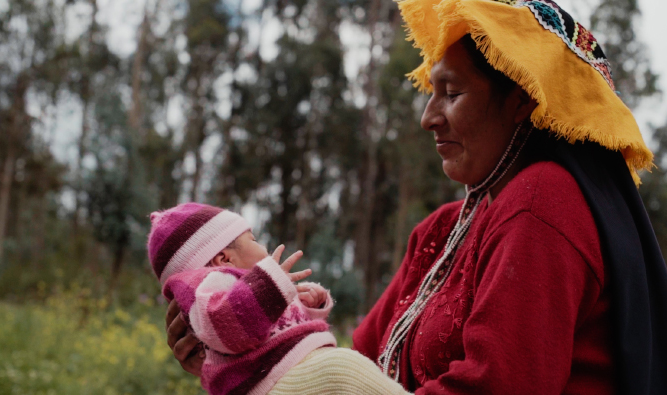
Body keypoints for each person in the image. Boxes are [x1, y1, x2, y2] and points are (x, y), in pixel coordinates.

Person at [166, 0, 667, 393]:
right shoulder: (442, 231)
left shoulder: (542, 200)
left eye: (452, 93)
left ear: (522, 103)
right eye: (431, 93)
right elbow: (361, 362)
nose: (429, 117)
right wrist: (235, 354)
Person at [149, 203, 410, 395]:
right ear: (224, 259)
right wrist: (271, 286)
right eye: (254, 240)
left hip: (282, 373)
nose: (262, 247)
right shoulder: (216, 285)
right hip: (274, 378)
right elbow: (230, 323)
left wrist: (308, 305)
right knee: (344, 369)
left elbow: (276, 328)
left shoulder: (246, 291)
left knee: (346, 369)